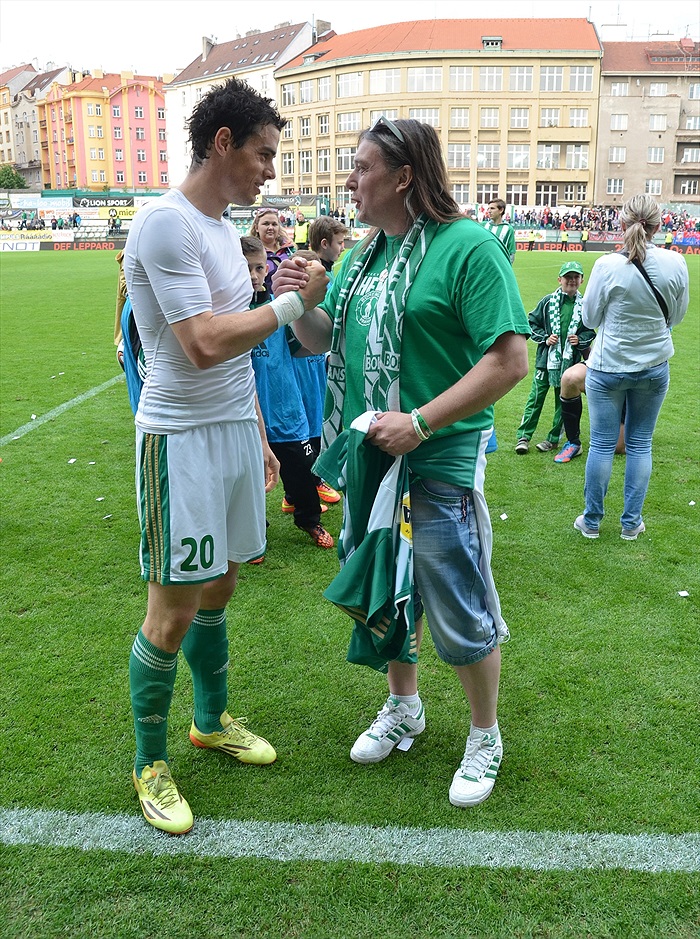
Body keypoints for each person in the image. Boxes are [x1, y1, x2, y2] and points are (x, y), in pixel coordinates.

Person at [273, 116, 529, 808]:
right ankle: (404, 706)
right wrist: (298, 302)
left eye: (360, 167)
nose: (349, 181)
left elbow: (510, 360)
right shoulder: (362, 257)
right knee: (384, 587)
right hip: (370, 458)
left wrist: (420, 422)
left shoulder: (467, 248)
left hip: (438, 456)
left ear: (405, 175)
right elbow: (326, 342)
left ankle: (485, 734)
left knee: (457, 600)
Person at [122, 76, 328, 835]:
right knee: (171, 613)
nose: (271, 170)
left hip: (232, 435)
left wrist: (256, 435)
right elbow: (203, 344)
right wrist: (290, 304)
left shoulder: (217, 227)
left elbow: (233, 357)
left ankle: (208, 720)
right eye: (263, 154)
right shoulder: (166, 225)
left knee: (222, 586)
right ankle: (149, 761)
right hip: (177, 441)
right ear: (222, 143)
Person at [573, 194, 689, 540]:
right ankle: (630, 524)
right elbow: (677, 316)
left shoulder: (607, 265)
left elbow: (590, 317)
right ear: (658, 225)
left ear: (622, 224)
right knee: (640, 444)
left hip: (608, 367)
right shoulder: (675, 262)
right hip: (653, 366)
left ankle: (592, 521)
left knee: (602, 444)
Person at [244, 236, 335, 548]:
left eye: (259, 268)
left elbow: (302, 348)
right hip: (245, 417)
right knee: (249, 479)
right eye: (246, 268)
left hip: (283, 411)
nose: (254, 275)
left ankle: (309, 520)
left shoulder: (276, 309)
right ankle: (256, 531)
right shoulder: (224, 313)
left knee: (300, 472)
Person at [515, 261, 595, 455]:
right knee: (536, 397)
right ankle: (523, 437)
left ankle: (552, 440)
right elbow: (531, 323)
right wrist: (545, 337)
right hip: (546, 361)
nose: (572, 280)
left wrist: (580, 339)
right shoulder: (547, 302)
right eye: (568, 277)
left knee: (563, 401)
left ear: (582, 280)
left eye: (576, 277)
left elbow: (590, 331)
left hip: (570, 363)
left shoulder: (585, 305)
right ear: (559, 279)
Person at [249, 208, 295, 293]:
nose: (270, 228)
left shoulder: (290, 249)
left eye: (274, 224)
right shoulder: (249, 252)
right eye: (266, 224)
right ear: (256, 228)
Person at [481, 198, 516, 264]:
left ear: (501, 210)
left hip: (499, 265)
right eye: (488, 208)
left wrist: (506, 268)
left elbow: (511, 253)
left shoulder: (508, 229)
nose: (489, 211)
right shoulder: (483, 225)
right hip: (484, 265)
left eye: (492, 208)